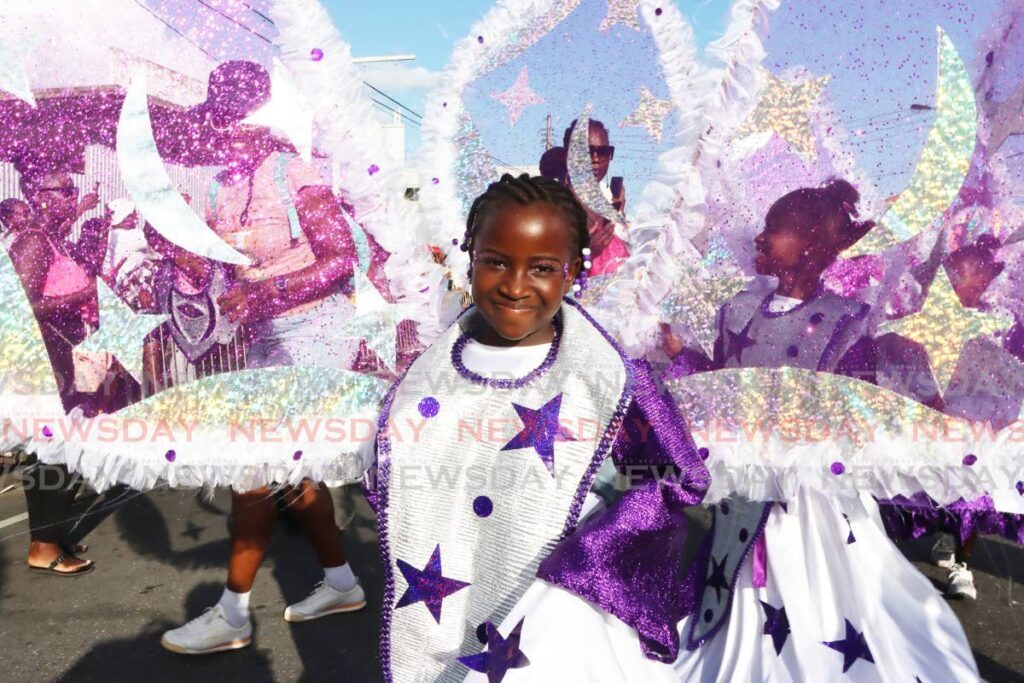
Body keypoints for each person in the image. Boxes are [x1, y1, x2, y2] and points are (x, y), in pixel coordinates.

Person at [369, 174, 709, 682]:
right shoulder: (427, 379)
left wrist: (597, 550)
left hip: (567, 612)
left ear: (572, 272)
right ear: (471, 257)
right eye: (496, 261)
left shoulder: (611, 381)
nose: (514, 285)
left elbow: (676, 477)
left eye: (543, 267)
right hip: (451, 587)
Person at [161, 61, 371, 655]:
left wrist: (265, 291)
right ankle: (341, 582)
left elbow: (339, 258)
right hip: (266, 336)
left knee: (251, 468)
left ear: (260, 118)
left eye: (233, 114)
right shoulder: (223, 185)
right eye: (216, 114)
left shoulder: (293, 172)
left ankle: (232, 613)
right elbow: (211, 262)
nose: (221, 126)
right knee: (292, 474)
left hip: (316, 331)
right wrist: (182, 248)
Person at [880, 235, 1024, 600]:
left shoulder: (995, 326)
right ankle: (883, 554)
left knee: (971, 489)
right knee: (908, 485)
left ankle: (963, 562)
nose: (968, 282)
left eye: (978, 275)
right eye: (957, 273)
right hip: (924, 417)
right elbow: (897, 366)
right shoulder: (920, 322)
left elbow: (1006, 383)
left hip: (967, 424)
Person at [7, 167, 105, 577]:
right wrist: (84, 294)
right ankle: (43, 546)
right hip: (42, 362)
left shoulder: (48, 237)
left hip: (60, 357)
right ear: (38, 194)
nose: (70, 196)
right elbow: (19, 306)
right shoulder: (32, 241)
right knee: (47, 452)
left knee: (59, 449)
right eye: (63, 190)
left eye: (72, 190)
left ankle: (50, 534)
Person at [562, 119, 630, 276]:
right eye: (586, 151)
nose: (596, 159)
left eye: (604, 152)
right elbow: (543, 273)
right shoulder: (555, 208)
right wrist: (586, 255)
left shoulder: (604, 207)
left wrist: (618, 211)